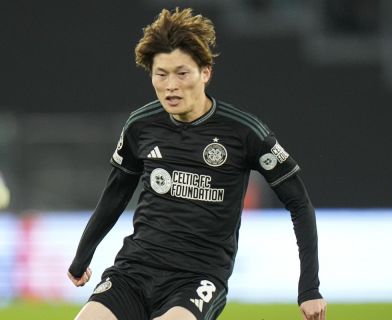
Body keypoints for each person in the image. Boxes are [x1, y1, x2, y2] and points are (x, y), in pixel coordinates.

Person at [68, 7, 326, 320]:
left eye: (182, 73)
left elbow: (299, 204)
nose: (170, 85)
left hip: (198, 278)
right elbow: (115, 195)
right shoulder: (141, 125)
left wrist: (309, 288)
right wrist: (81, 258)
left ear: (205, 73)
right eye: (160, 74)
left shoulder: (244, 132)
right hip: (134, 271)